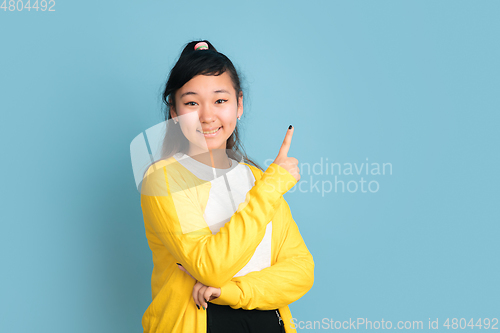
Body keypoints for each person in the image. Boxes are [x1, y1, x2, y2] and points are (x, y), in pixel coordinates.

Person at [140, 40, 314, 333]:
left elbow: (300, 271)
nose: (207, 116)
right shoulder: (164, 179)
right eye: (192, 102)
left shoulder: (258, 180)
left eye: (220, 100)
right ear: (174, 111)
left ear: (239, 105)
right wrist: (273, 186)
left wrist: (232, 291)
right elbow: (211, 267)